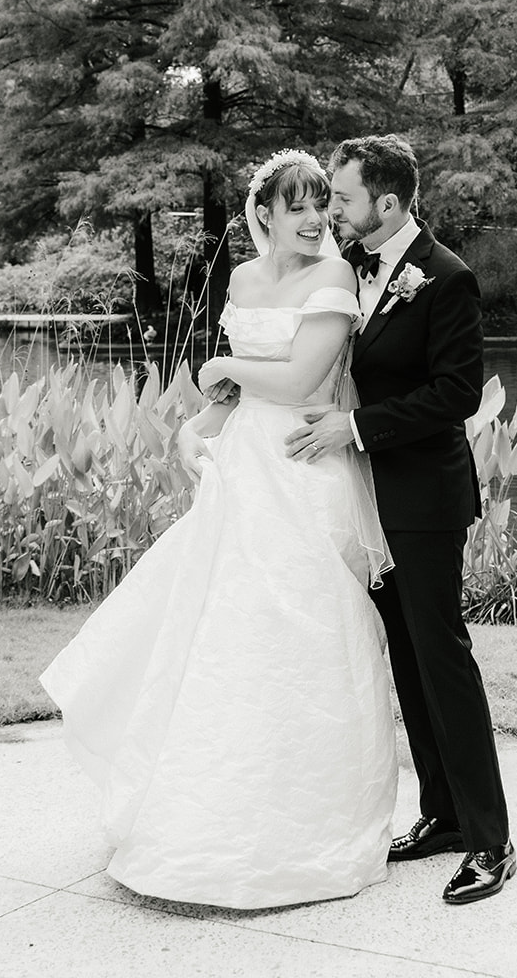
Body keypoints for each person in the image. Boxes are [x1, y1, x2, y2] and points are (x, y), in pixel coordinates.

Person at [39, 150, 397, 910]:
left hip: (300, 467)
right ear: (262, 212)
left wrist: (217, 366)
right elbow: (234, 398)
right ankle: (201, 812)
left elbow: (300, 380)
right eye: (296, 206)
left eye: (321, 206)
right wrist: (202, 419)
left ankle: (309, 822)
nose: (312, 220)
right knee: (221, 636)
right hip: (240, 468)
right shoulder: (239, 279)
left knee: (298, 629)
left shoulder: (333, 279)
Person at [285, 134, 515, 906]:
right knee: (407, 663)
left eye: (343, 198)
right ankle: (442, 816)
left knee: (443, 661)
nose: (332, 210)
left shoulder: (446, 278)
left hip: (421, 502)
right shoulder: (351, 268)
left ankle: (491, 841)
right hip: (365, 501)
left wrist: (355, 428)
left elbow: (454, 394)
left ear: (386, 203)